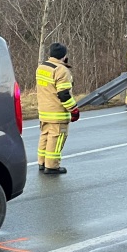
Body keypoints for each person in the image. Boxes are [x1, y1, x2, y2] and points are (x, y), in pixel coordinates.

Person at [36, 42, 79, 175]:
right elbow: (64, 94)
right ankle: (52, 166)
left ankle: (42, 163)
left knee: (45, 137)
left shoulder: (42, 67)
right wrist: (74, 110)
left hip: (44, 111)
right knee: (56, 139)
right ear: (64, 56)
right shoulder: (61, 70)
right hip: (57, 113)